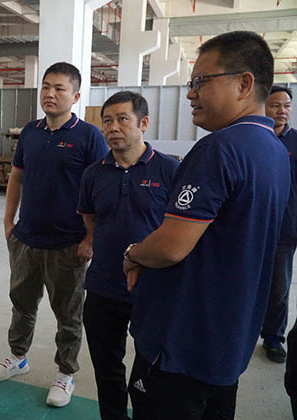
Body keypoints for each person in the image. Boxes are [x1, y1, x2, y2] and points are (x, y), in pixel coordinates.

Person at [122, 31, 290, 420]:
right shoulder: (274, 151)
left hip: (183, 344)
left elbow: (170, 247)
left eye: (201, 81)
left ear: (244, 83)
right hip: (228, 340)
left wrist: (133, 254)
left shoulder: (219, 149)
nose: (190, 94)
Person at [0, 62, 107, 407]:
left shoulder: (89, 137)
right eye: (46, 87)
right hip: (26, 239)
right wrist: (8, 222)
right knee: (22, 305)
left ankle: (65, 373)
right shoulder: (30, 132)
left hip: (69, 244)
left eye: (59, 88)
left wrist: (91, 239)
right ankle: (18, 357)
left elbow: (102, 190)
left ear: (76, 96)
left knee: (68, 314)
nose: (50, 94)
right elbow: (17, 176)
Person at [77, 91, 179, 420]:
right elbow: (90, 219)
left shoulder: (169, 170)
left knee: (151, 371)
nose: (113, 127)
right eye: (107, 121)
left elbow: (178, 228)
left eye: (122, 119)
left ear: (143, 123)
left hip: (153, 288)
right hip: (103, 286)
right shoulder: (93, 173)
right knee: (107, 368)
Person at [261, 85, 297, 363]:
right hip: (250, 228)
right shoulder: (253, 139)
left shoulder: (295, 143)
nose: (282, 111)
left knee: (278, 289)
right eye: (275, 105)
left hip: (284, 229)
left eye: (286, 106)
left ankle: (273, 337)